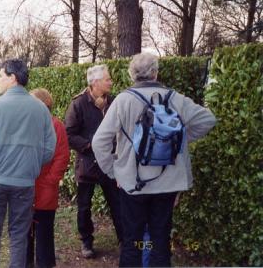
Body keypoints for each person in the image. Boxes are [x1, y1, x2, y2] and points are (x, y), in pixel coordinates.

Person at [91, 53, 216, 267]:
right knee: (160, 240)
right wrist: (179, 140)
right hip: (167, 182)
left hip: (133, 183)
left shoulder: (123, 100)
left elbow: (99, 141)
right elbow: (208, 119)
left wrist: (114, 172)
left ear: (132, 76)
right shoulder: (175, 98)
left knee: (133, 241)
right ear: (156, 72)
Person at [0, 59, 57, 268]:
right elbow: (49, 150)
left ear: (12, 78)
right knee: (19, 238)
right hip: (25, 183)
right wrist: (30, 165)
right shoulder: (41, 110)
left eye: (0, 75)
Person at [64, 64, 122, 258]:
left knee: (118, 204)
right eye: (107, 79)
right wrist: (91, 146)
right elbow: (69, 134)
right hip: (87, 164)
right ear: (95, 83)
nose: (111, 82)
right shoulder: (78, 104)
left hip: (110, 164)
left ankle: (125, 240)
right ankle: (86, 243)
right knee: (84, 207)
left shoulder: (114, 102)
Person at [26, 88, 70, 268]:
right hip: (26, 186)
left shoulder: (55, 125)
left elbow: (62, 156)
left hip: (45, 188)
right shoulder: (26, 124)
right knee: (24, 232)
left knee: (44, 231)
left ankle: (45, 264)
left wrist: (51, 180)